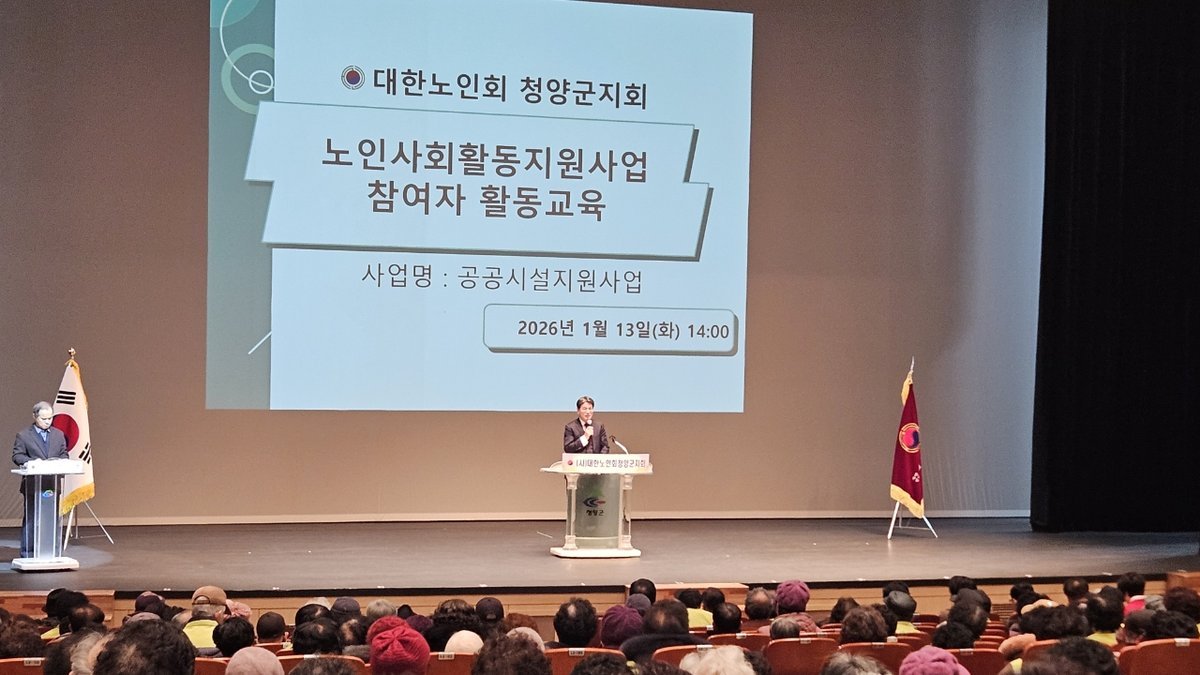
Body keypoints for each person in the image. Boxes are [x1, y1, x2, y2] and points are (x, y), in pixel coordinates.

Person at [11, 401, 70, 558]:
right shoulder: (24, 435)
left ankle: (52, 552)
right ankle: (28, 553)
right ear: (35, 416)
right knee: (31, 519)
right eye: (44, 419)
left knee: (52, 519)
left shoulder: (58, 434)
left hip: (52, 483)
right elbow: (17, 456)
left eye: (50, 418)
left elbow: (64, 454)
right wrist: (32, 462)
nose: (47, 422)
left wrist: (60, 462)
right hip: (33, 484)